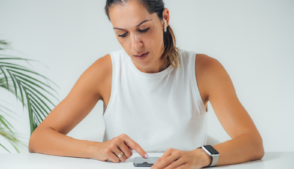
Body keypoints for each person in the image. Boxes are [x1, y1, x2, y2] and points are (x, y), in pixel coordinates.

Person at [29, 0, 264, 168]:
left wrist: (202, 156)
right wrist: (96, 149)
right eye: (122, 34)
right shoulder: (106, 71)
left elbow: (252, 143)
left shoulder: (204, 70)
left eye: (143, 29)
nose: (135, 45)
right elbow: (39, 138)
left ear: (164, 19)